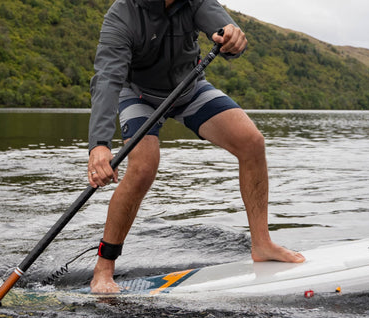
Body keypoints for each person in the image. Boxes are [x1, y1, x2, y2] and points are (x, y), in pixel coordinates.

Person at [86, 0, 305, 293]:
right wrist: (99, 145)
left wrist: (233, 39)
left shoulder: (195, 1)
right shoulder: (122, 13)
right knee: (142, 168)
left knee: (252, 143)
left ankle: (262, 244)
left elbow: (227, 32)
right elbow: (107, 80)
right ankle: (103, 270)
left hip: (188, 88)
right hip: (139, 95)